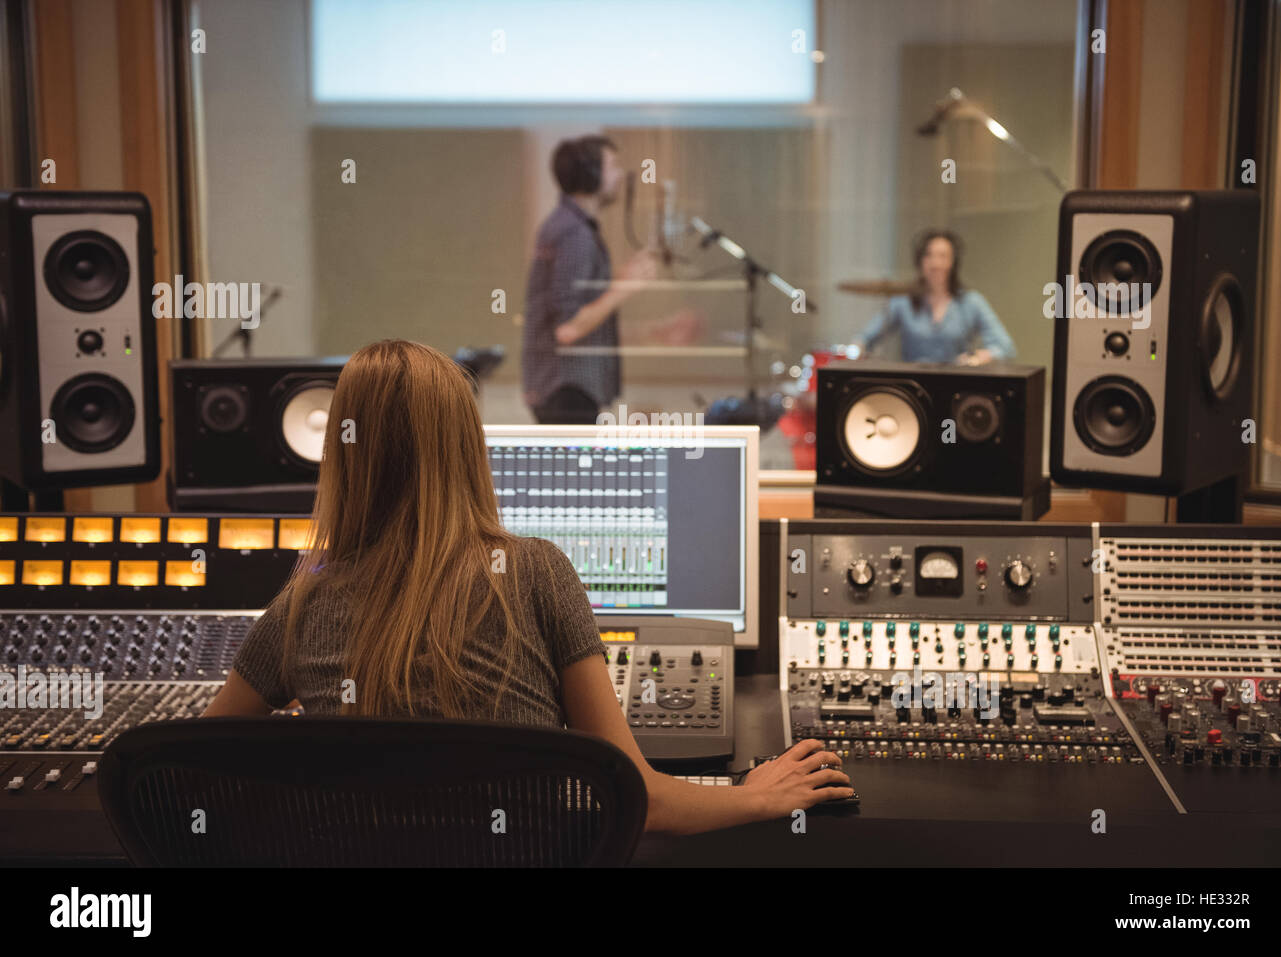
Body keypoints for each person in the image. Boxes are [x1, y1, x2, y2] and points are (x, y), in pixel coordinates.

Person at [203, 339, 852, 835]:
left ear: (345, 453)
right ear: (465, 445)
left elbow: (187, 763)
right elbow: (638, 797)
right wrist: (755, 794)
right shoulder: (537, 570)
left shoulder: (305, 597)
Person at [522, 135, 659, 424]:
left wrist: (618, 282)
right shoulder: (575, 234)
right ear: (590, 174)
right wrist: (624, 288)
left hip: (564, 386)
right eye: (613, 166)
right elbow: (568, 328)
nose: (621, 175)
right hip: (566, 387)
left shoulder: (570, 227)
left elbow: (574, 305)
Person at [861, 229, 1016, 364]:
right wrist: (855, 349)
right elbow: (866, 338)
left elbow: (1005, 347)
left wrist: (978, 357)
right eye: (929, 255)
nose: (935, 263)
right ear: (920, 261)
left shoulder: (971, 301)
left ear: (953, 262)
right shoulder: (903, 301)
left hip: (956, 384)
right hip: (912, 385)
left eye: (943, 256)